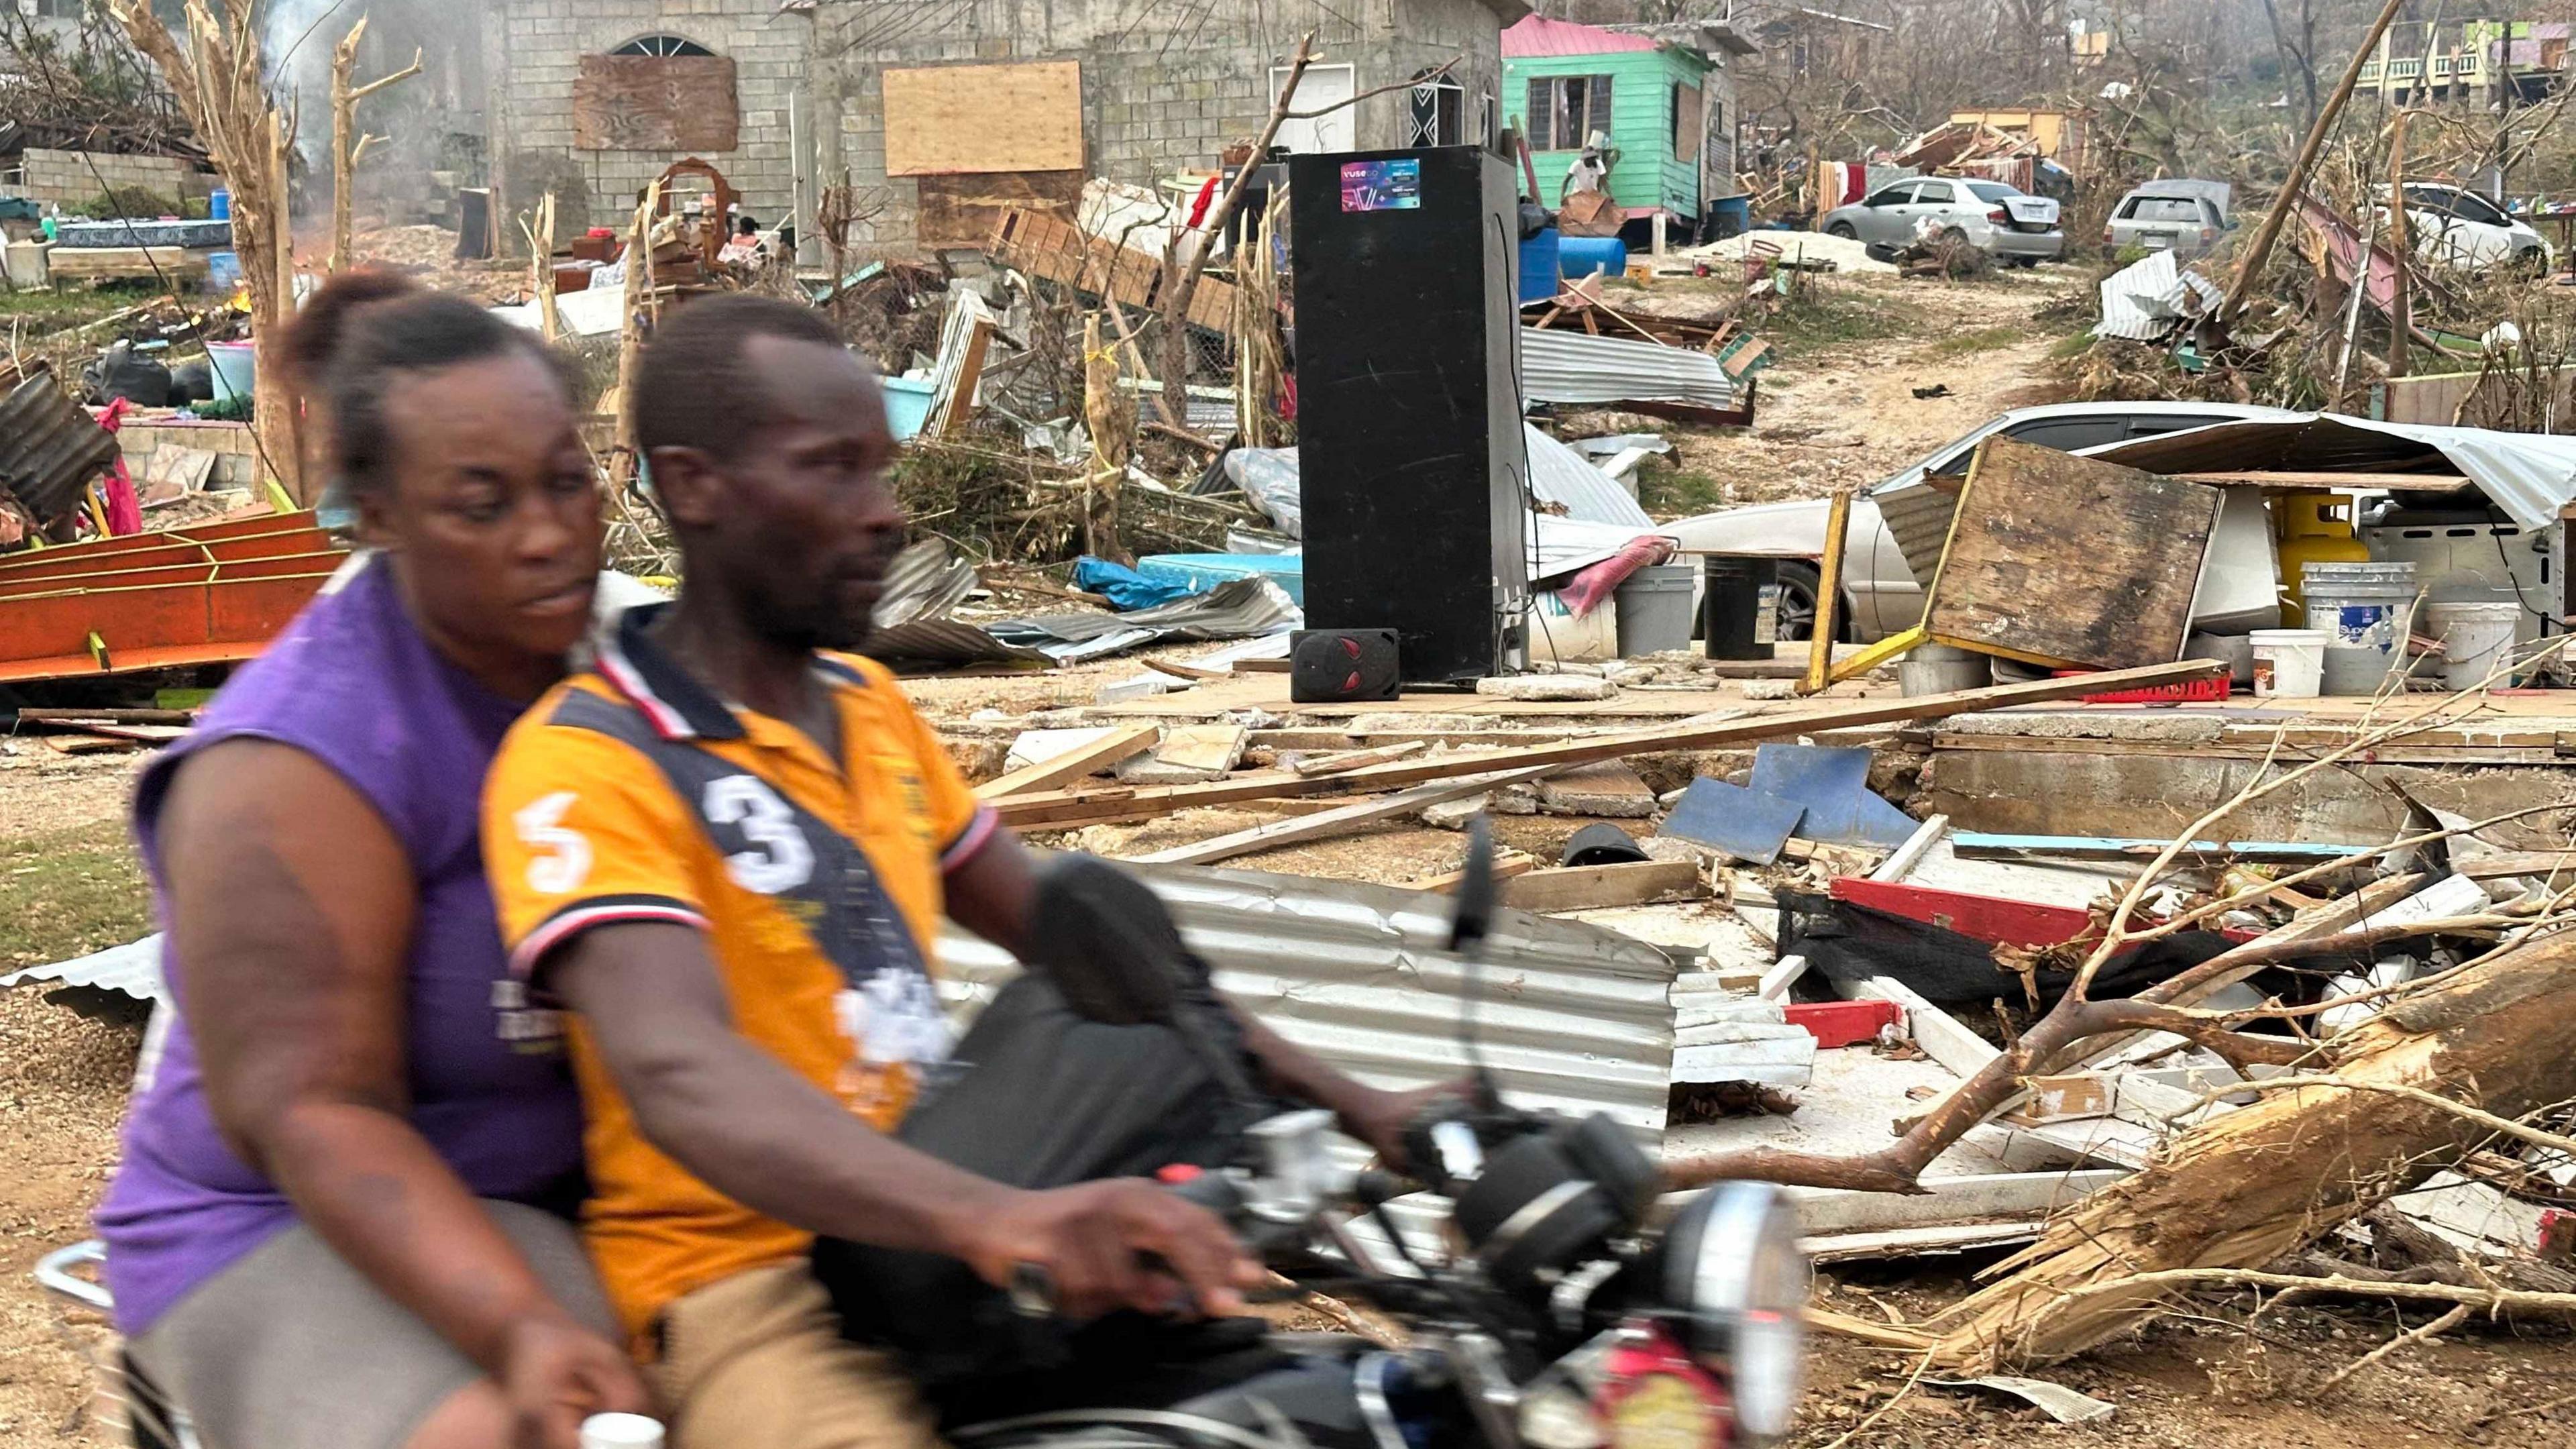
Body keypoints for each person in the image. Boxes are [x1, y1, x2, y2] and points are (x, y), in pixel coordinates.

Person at [480, 295, 1440, 1449]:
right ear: (692, 487)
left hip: (957, 1214)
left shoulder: (869, 711)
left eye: (880, 472)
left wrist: (1368, 1107)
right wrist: (997, 1224)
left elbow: (1082, 941)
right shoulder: (587, 762)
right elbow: (682, 1074)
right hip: (755, 1287)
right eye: (832, 471)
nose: (883, 516)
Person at [93, 272, 650, 1449]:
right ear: (379, 515)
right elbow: (311, 1114)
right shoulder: (296, 760)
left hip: (543, 1192)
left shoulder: (622, 667)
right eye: (479, 504)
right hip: (280, 1213)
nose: (549, 534)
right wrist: (517, 1330)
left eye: (566, 482)